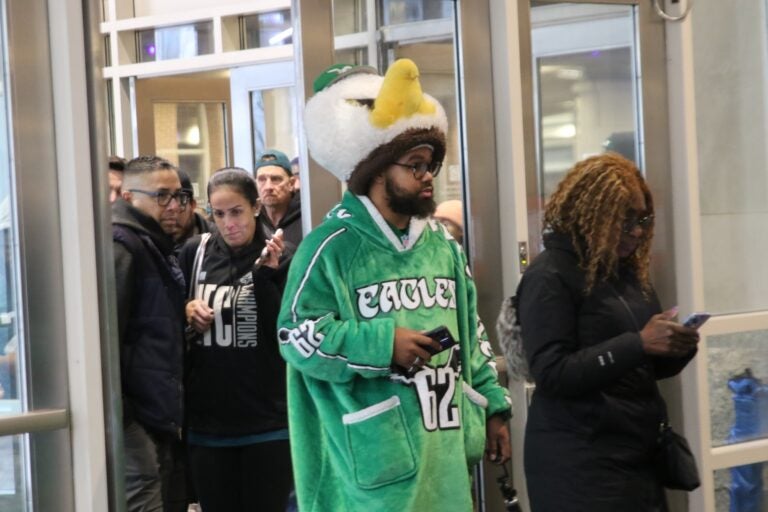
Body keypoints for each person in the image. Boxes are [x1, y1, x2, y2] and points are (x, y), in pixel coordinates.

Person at [277, 59, 511, 512]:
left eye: (432, 164)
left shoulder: (442, 245)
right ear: (376, 170)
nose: (429, 176)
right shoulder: (329, 248)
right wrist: (382, 345)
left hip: (443, 457)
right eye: (416, 165)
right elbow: (295, 336)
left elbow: (471, 331)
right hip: (371, 466)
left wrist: (494, 405)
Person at [514, 152, 700, 511]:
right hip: (579, 465)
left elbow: (638, 366)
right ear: (592, 213)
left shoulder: (625, 274)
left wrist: (676, 347)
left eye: (643, 218)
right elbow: (552, 373)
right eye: (625, 219)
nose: (637, 231)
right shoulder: (549, 276)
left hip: (635, 456)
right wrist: (638, 343)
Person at [179, 168, 291, 512]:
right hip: (208, 423)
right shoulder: (195, 253)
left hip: (268, 422)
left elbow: (286, 334)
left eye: (237, 212)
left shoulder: (284, 256)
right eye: (219, 214)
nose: (228, 223)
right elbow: (167, 315)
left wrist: (265, 277)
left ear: (255, 207)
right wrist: (187, 309)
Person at [112, 155, 189, 512]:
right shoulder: (124, 246)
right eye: (162, 196)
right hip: (135, 415)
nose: (174, 206)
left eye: (179, 196)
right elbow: (107, 338)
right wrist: (125, 414)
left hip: (155, 411)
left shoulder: (153, 244)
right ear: (128, 197)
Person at [254, 149, 302, 255]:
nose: (268, 187)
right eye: (262, 179)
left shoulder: (307, 217)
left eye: (275, 179)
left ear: (291, 183)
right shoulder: (252, 221)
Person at [172, 169, 212, 256]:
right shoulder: (148, 246)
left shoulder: (216, 240)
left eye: (181, 202)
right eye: (164, 201)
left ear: (193, 205)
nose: (173, 211)